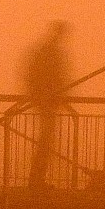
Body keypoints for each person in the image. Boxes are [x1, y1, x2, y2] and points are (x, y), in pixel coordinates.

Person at [21, 20, 73, 188]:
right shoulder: (51, 52)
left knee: (45, 141)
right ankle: (36, 180)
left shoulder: (44, 51)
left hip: (45, 100)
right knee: (46, 142)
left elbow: (33, 74)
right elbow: (53, 77)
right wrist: (55, 94)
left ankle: (36, 179)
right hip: (48, 101)